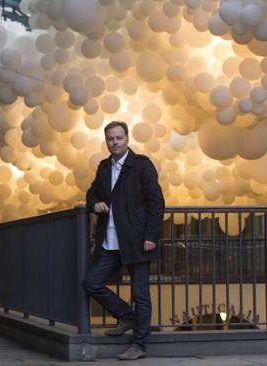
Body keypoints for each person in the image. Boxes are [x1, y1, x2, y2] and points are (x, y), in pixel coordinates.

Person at [83, 121, 165, 361]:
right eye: (110, 139)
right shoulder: (103, 168)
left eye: (119, 138)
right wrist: (94, 203)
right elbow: (91, 193)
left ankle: (138, 345)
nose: (115, 142)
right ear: (106, 141)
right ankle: (126, 316)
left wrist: (151, 235)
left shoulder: (142, 165)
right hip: (110, 243)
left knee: (141, 295)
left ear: (127, 138)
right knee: (91, 283)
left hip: (137, 242)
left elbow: (156, 203)